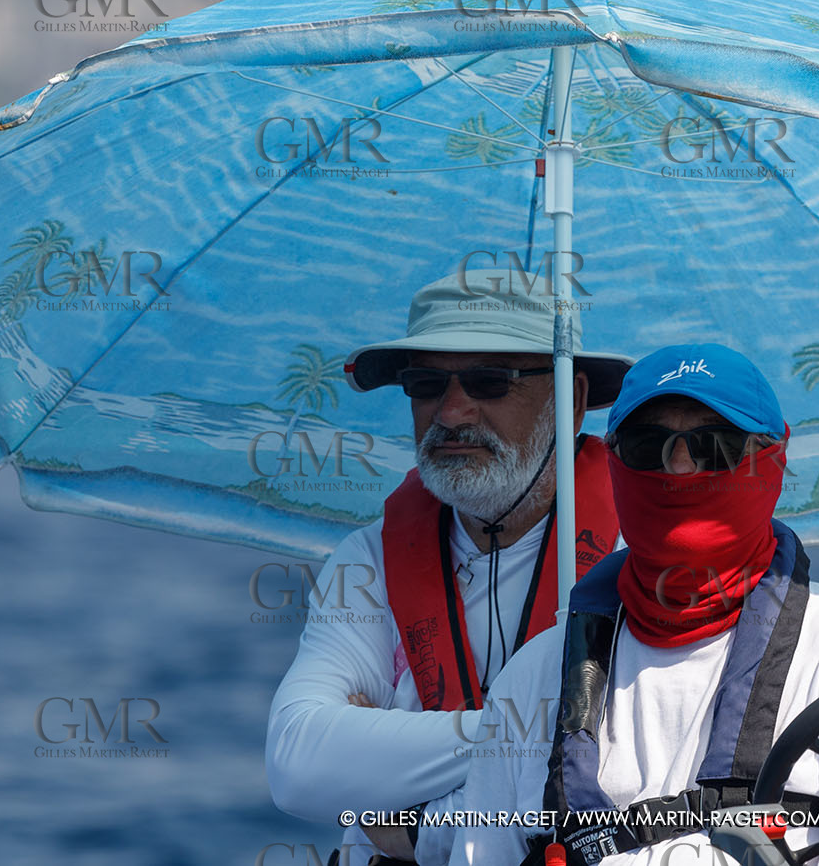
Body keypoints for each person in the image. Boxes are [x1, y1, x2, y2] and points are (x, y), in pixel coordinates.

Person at [399, 343, 819, 866]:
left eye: (714, 444)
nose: (678, 469)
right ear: (612, 459)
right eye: (647, 444)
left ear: (774, 456)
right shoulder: (534, 676)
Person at [265, 270, 632, 859]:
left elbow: (636, 781)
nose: (453, 411)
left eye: (491, 381)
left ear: (573, 398)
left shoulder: (630, 563)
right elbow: (298, 764)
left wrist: (401, 803)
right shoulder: (368, 562)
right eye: (427, 383)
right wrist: (539, 733)